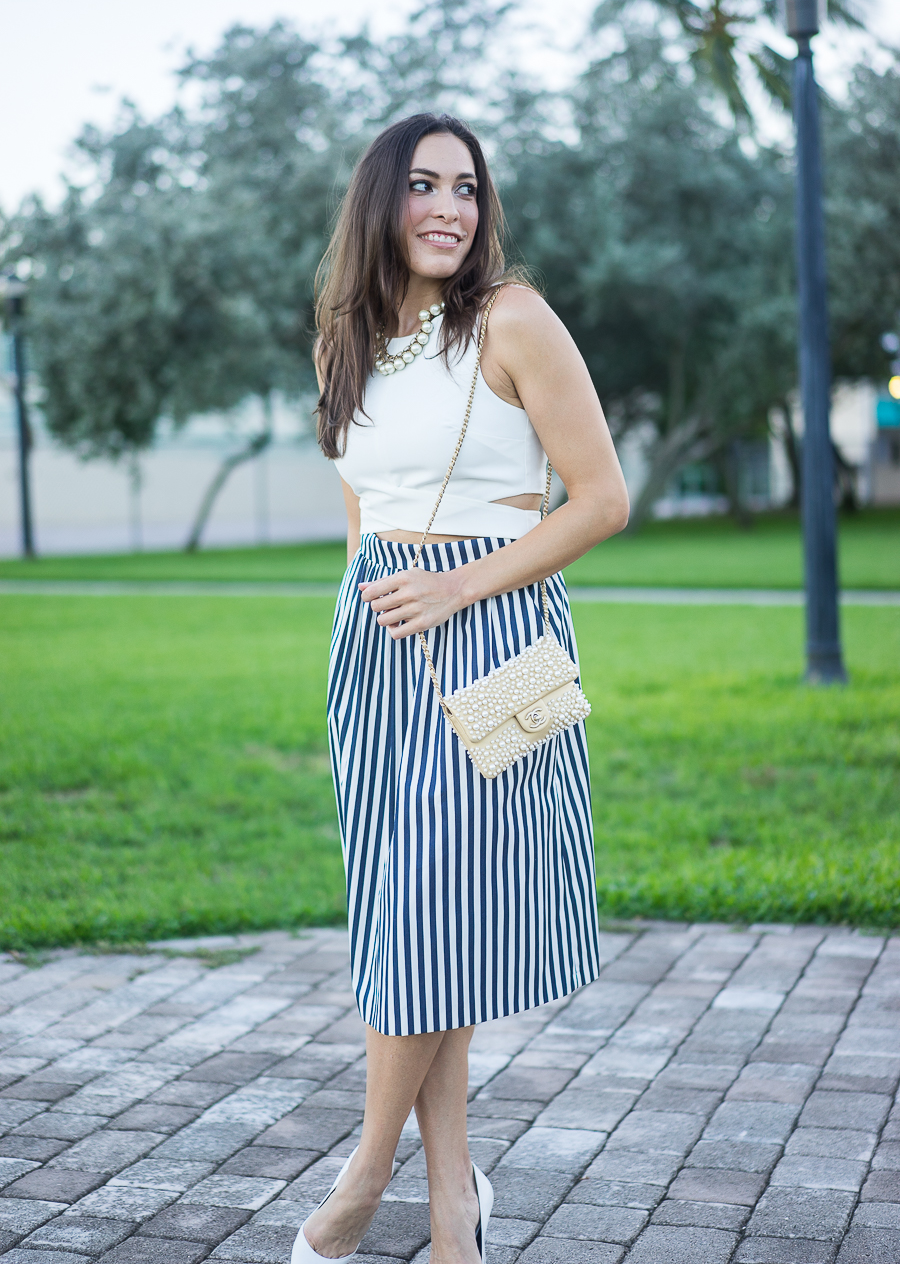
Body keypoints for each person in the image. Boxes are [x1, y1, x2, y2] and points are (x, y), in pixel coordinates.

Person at [293, 113, 629, 1264]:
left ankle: (364, 1177)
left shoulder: (513, 319)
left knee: (435, 916)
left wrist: (457, 589)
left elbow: (600, 500)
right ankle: (452, 1219)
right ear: (380, 200)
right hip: (380, 652)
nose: (450, 208)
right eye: (426, 185)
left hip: (502, 640)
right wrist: (363, 643)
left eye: (470, 189)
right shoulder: (344, 339)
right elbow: (362, 523)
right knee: (423, 922)